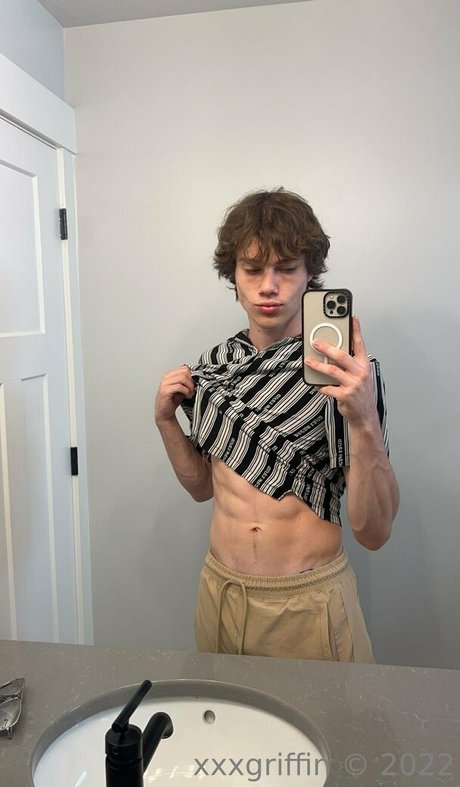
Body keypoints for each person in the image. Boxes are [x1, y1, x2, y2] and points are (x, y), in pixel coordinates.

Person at [155, 188, 399, 662]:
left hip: (308, 605)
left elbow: (374, 532)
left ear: (310, 275)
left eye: (286, 269)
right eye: (253, 269)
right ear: (234, 276)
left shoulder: (347, 374)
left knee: (324, 716)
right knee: (221, 712)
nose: (269, 286)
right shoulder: (215, 367)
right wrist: (166, 422)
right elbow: (203, 488)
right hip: (221, 595)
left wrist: (365, 417)